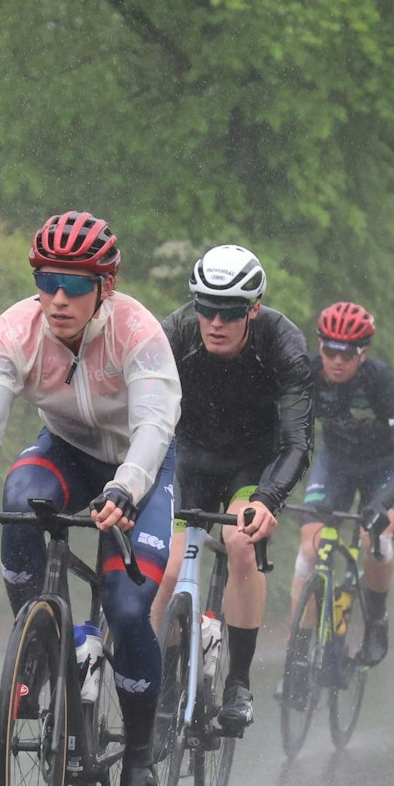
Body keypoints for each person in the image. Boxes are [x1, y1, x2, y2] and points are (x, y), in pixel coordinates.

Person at [0, 211, 180, 786]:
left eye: (74, 285)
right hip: (68, 451)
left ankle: (138, 759)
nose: (57, 298)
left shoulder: (138, 332)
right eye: (46, 281)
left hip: (142, 466)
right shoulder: (16, 329)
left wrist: (127, 488)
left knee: (128, 608)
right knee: (20, 497)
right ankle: (42, 650)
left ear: (105, 287)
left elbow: (155, 426)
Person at [153, 245, 312, 727]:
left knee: (241, 543)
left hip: (253, 465)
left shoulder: (283, 343)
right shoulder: (175, 333)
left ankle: (238, 682)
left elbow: (298, 442)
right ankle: (164, 679)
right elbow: (141, 414)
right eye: (206, 308)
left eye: (231, 312)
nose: (216, 322)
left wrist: (268, 500)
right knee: (167, 564)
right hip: (190, 459)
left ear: (254, 309)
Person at [293, 302, 394, 663]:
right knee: (310, 548)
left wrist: (383, 501)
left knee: (374, 536)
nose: (337, 361)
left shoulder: (381, 380)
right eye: (330, 351)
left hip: (384, 467)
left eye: (347, 354)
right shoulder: (308, 372)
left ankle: (376, 619)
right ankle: (297, 650)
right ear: (320, 346)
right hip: (337, 464)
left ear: (363, 353)